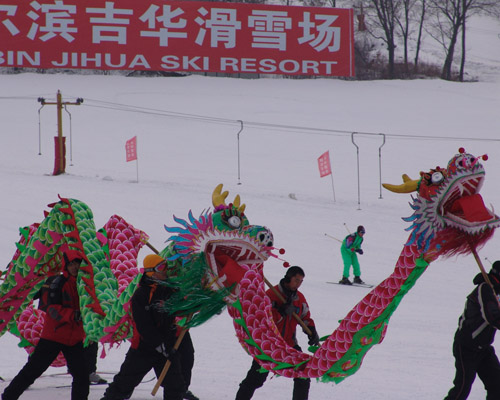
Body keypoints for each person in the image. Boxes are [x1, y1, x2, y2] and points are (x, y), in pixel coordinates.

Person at [101, 254, 197, 400]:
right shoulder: (141, 294)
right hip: (144, 348)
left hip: (166, 348)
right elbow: (144, 325)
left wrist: (197, 304)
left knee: (175, 387)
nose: (165, 270)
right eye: (161, 267)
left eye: (165, 266)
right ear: (150, 272)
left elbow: (179, 309)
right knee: (123, 384)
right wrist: (160, 344)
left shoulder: (169, 291)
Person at [2, 250, 89, 400]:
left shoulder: (84, 284)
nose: (74, 267)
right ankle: (9, 396)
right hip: (53, 337)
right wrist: (73, 315)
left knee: (82, 376)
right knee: (32, 371)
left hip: (74, 339)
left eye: (77, 264)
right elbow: (53, 309)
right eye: (71, 264)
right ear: (65, 266)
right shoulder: (58, 283)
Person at [235, 266, 319, 400]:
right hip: (269, 345)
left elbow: (305, 317)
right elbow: (261, 319)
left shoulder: (299, 298)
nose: (298, 284)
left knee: (303, 375)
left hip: (289, 344)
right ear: (288, 278)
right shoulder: (270, 295)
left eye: (301, 281)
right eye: (296, 280)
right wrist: (280, 312)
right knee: (255, 379)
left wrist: (312, 330)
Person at [444, 261, 500, 400]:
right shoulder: (485, 288)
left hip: (484, 348)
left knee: (497, 386)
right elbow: (492, 316)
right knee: (462, 389)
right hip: (467, 346)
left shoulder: (496, 291)